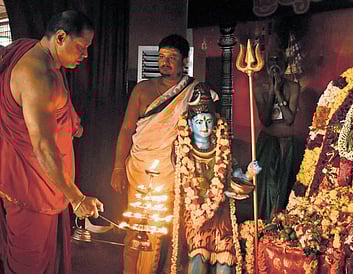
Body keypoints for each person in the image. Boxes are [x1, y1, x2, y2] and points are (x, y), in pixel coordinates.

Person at [0, 10, 103, 273]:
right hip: (31, 188)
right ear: (60, 37)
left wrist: (70, 121)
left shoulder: (30, 49)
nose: (85, 55)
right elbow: (44, 148)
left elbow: (47, 111)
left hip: (45, 184)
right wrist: (77, 198)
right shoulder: (39, 76)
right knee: (30, 264)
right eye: (81, 47)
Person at [110, 34, 206, 274]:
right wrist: (118, 168)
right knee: (135, 227)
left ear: (184, 60)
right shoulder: (142, 89)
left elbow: (203, 132)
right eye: (162, 57)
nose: (165, 62)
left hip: (169, 171)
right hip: (138, 169)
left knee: (157, 231)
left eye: (171, 57)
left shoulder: (193, 92)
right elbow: (125, 129)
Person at [171, 85, 261, 274]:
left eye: (208, 121)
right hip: (196, 214)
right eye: (199, 122)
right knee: (198, 259)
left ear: (215, 123)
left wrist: (249, 174)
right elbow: (185, 183)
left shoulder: (223, 147)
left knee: (226, 262)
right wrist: (210, 196)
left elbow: (232, 177)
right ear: (189, 124)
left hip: (222, 214)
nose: (204, 127)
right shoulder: (182, 151)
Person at [254, 39, 301, 221]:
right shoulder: (260, 89)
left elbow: (289, 120)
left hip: (287, 146)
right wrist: (272, 92)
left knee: (284, 187)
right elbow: (265, 121)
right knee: (267, 187)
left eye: (278, 61)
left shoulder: (294, 87)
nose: (275, 65)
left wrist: (280, 93)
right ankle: (265, 222)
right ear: (266, 65)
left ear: (285, 64)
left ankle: (280, 225)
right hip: (268, 143)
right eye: (271, 61)